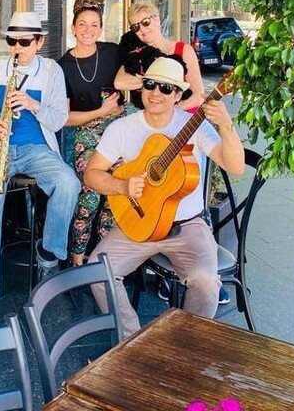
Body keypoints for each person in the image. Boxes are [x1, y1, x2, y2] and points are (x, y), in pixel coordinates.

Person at [84, 57, 244, 338]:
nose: (156, 93)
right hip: (140, 222)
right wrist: (121, 187)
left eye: (166, 89)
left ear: (179, 95)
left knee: (206, 283)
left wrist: (227, 127)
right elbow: (92, 175)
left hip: (187, 225)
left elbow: (235, 167)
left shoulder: (194, 127)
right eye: (150, 85)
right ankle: (131, 344)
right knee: (97, 270)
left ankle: (183, 348)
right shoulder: (122, 128)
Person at [0, 12, 80, 325]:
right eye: (12, 41)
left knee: (69, 183)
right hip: (0, 150)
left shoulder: (51, 71)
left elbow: (59, 118)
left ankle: (48, 253)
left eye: (24, 42)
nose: (17, 48)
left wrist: (34, 106)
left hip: (37, 149)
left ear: (39, 42)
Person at [58, 0, 123, 266]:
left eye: (94, 24)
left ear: (101, 28)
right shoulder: (62, 66)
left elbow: (135, 76)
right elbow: (64, 118)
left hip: (118, 130)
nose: (88, 30)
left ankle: (104, 259)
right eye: (82, 24)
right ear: (73, 28)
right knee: (90, 195)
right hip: (85, 133)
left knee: (116, 194)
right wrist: (100, 111)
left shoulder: (112, 52)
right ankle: (77, 258)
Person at [115, 0, 205, 112]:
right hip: (151, 122)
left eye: (146, 22)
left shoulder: (183, 50)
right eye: (136, 27)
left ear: (157, 19)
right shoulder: (137, 54)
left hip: (184, 119)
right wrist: (152, 80)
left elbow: (198, 97)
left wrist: (164, 112)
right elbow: (119, 83)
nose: (142, 29)